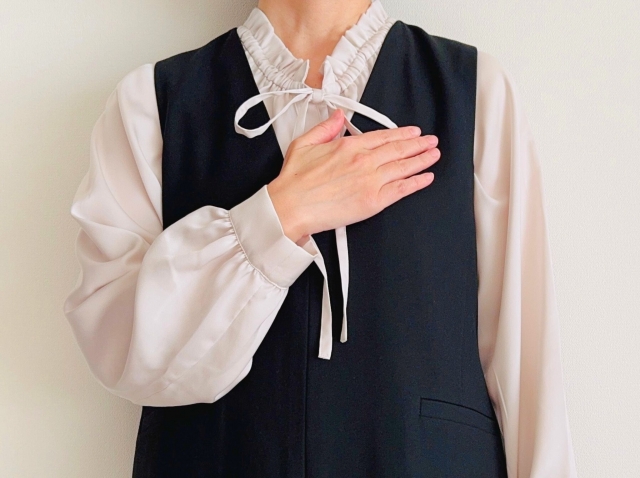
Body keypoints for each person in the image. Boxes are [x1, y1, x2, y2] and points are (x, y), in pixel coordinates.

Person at [62, 0, 578, 476]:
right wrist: (278, 215)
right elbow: (121, 346)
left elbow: (526, 366)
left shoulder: (474, 90)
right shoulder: (151, 105)